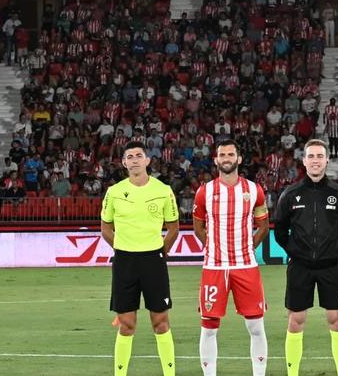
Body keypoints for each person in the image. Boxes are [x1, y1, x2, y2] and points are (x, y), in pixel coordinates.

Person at [273, 139, 338, 376]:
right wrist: (294, 252)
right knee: (296, 320)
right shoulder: (290, 194)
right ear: (304, 160)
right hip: (300, 267)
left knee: (336, 319)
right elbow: (280, 229)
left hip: (331, 266)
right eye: (310, 156)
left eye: (319, 156)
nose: (315, 161)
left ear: (326, 160)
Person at [101, 141, 180, 376]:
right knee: (126, 325)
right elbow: (105, 228)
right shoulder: (114, 192)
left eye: (139, 155)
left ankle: (169, 373)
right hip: (125, 262)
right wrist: (123, 248)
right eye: (130, 156)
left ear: (147, 161)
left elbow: (173, 227)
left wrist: (161, 251)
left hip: (153, 261)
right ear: (124, 163)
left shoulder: (163, 190)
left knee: (161, 322)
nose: (134, 160)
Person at [192, 140, 271, 376]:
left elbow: (263, 226)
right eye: (222, 154)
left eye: (231, 154)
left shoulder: (253, 190)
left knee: (256, 326)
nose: (226, 158)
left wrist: (248, 246)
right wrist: (213, 246)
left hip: (246, 266)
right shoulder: (204, 191)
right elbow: (198, 226)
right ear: (216, 160)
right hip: (214, 268)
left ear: (239, 159)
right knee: (209, 329)